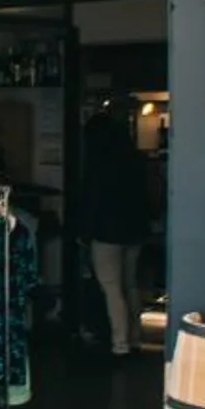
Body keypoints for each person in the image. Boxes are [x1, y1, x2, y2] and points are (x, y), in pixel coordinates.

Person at [79, 112, 151, 357]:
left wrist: (85, 233)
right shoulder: (136, 160)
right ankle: (135, 339)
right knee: (130, 286)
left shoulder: (100, 163)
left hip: (106, 233)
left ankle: (119, 344)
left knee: (112, 288)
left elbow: (94, 202)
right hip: (136, 230)